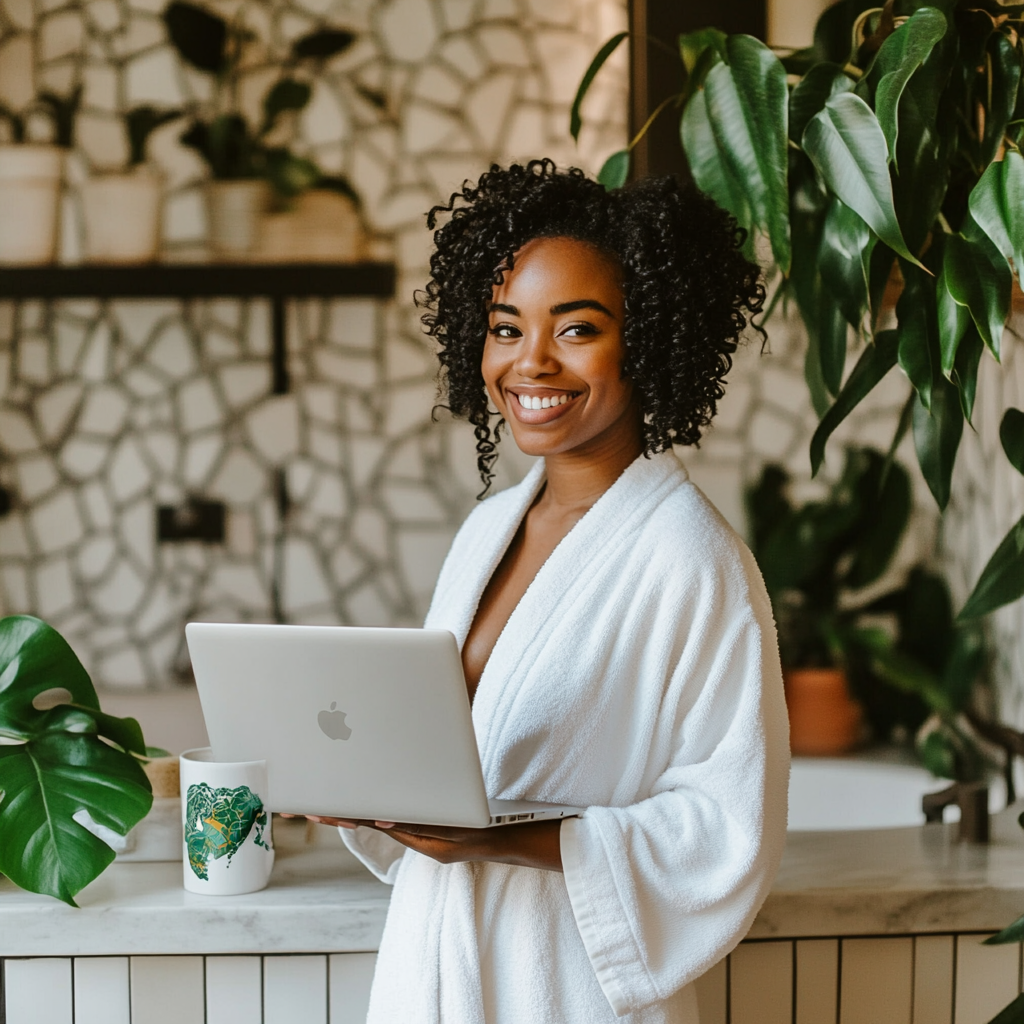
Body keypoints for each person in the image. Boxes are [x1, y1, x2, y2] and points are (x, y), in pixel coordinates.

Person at [307, 159, 789, 1023]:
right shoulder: (490, 528)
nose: (529, 363)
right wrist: (360, 782)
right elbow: (454, 753)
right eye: (504, 326)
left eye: (576, 330)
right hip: (438, 961)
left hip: (563, 981)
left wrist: (503, 840)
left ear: (648, 338)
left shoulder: (692, 558)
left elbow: (728, 831)